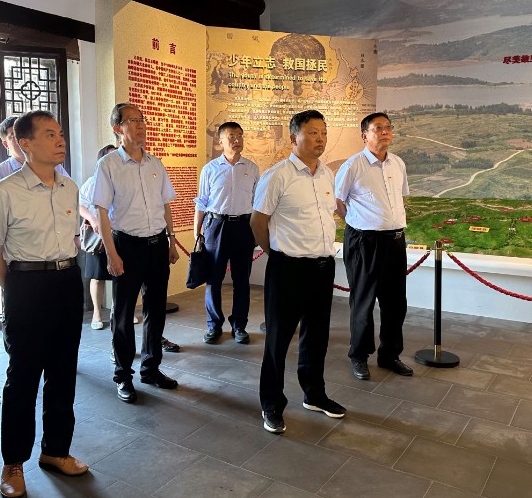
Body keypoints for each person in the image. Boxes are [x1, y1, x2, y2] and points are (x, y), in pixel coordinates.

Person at [0, 110, 88, 498]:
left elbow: (72, 239)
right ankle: (13, 463)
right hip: (26, 284)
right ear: (24, 144)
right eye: (49, 134)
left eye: (60, 133)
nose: (60, 140)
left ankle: (56, 451)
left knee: (63, 372)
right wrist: (18, 289)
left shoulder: (69, 186)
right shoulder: (4, 191)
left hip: (67, 281)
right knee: (23, 377)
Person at [250, 109, 346, 434]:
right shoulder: (278, 175)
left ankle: (314, 394)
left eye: (323, 132)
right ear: (294, 138)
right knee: (278, 340)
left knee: (317, 336)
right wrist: (275, 253)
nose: (320, 139)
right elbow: (258, 222)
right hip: (288, 268)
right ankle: (271, 404)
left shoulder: (327, 174)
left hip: (322, 266)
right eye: (313, 132)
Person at [93, 102, 180, 403]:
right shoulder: (108, 165)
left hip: (157, 245)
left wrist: (171, 240)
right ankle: (123, 375)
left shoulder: (155, 164)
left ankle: (151, 368)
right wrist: (112, 253)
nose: (141, 125)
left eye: (142, 119)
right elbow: (101, 211)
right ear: (117, 128)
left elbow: (165, 204)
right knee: (123, 313)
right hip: (126, 246)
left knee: (156, 310)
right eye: (133, 120)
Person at [335, 112, 413, 380]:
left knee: (395, 303)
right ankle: (359, 355)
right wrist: (358, 222)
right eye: (378, 128)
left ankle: (390, 354)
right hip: (364, 242)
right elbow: (337, 202)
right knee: (363, 302)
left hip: (395, 241)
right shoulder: (353, 165)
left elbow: (400, 198)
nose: (385, 131)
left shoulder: (398, 163)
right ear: (364, 135)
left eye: (388, 127)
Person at [194, 121, 259, 345]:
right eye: (231, 136)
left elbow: (257, 202)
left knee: (242, 279)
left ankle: (239, 325)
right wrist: (197, 231)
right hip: (216, 226)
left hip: (243, 226)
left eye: (240, 135)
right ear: (220, 140)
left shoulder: (252, 168)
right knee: (213, 279)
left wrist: (257, 231)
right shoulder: (210, 169)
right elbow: (201, 202)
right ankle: (214, 325)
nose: (237, 140)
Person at [80, 144, 117, 330]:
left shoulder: (123, 180)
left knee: (121, 275)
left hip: (119, 233)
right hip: (97, 235)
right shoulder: (92, 182)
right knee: (97, 275)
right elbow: (80, 204)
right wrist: (93, 219)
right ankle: (96, 313)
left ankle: (118, 312)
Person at [0, 115, 69, 190]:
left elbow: (68, 192)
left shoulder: (54, 166)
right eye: (15, 136)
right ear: (6, 144)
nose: (22, 140)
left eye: (25, 135)